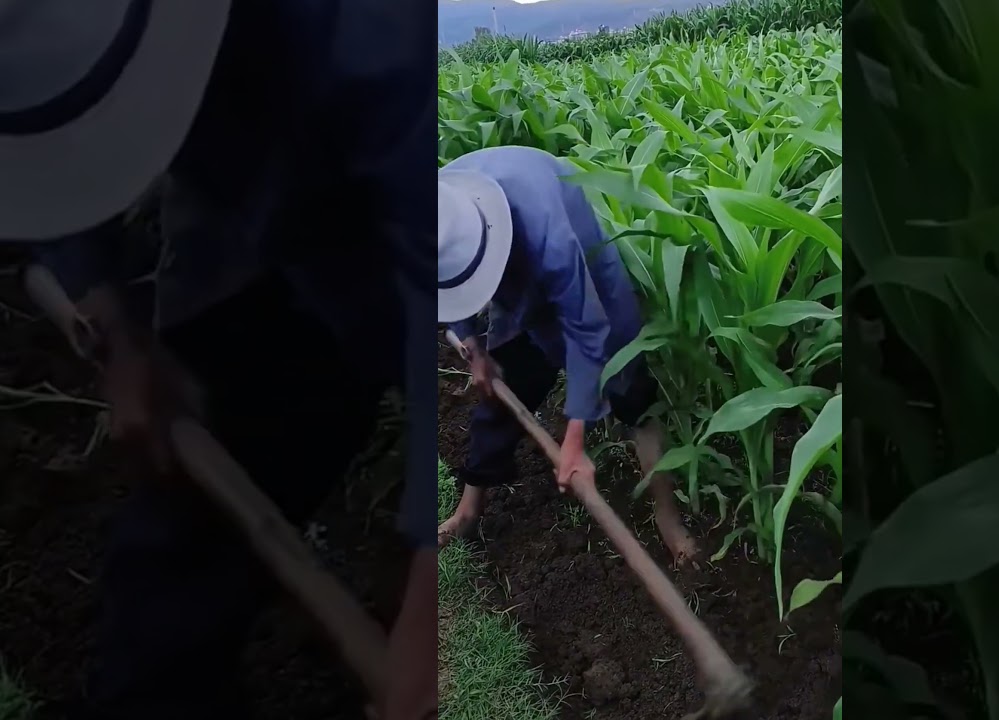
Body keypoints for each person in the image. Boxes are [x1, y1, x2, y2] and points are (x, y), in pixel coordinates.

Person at [0, 2, 438, 719]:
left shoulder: (377, 37)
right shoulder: (50, 47)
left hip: (393, 211)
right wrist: (111, 317)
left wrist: (429, 591)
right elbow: (47, 120)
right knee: (188, 523)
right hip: (247, 204)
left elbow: (436, 299)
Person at [435, 145, 700, 568]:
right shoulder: (439, 209)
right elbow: (446, 284)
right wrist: (476, 347)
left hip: (583, 264)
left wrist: (574, 439)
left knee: (628, 387)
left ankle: (668, 517)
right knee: (505, 387)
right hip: (508, 266)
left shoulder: (550, 238)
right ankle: (467, 511)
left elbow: (586, 329)